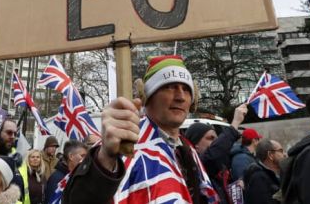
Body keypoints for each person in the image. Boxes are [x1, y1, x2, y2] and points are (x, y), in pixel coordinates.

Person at [62, 55, 218, 204]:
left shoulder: (186, 148)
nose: (181, 97)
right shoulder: (124, 144)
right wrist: (105, 159)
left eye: (186, 89)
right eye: (169, 87)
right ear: (146, 96)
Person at [185, 104, 247, 204]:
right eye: (210, 138)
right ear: (195, 144)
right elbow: (213, 155)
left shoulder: (221, 169)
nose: (216, 142)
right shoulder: (195, 167)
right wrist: (235, 123)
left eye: (217, 139)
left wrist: (235, 187)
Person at [244, 139, 286, 204]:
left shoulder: (274, 174)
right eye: (281, 151)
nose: (284, 154)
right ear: (270, 155)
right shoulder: (259, 179)